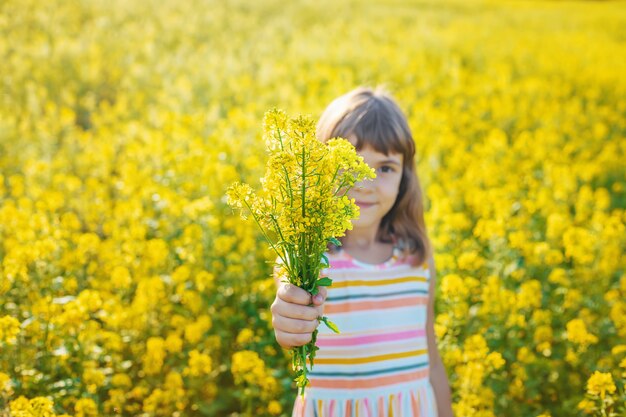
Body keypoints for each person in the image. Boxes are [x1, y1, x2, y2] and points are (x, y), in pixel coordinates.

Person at [271, 86, 454, 417]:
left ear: (404, 177)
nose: (365, 182)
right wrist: (288, 323)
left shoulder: (416, 259)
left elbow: (432, 359)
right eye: (349, 163)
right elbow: (290, 316)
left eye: (384, 168)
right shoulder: (305, 259)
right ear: (319, 170)